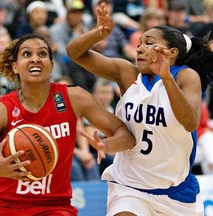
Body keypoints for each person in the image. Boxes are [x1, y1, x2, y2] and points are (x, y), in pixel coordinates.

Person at [66, 3, 213, 215]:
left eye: (150, 43)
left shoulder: (185, 76)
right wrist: (98, 33)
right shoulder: (127, 73)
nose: (140, 47)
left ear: (172, 53)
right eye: (140, 43)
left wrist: (166, 78)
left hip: (174, 193)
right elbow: (74, 52)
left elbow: (190, 122)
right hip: (129, 186)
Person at [0, 34, 135, 215]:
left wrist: (106, 144)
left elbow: (125, 135)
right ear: (15, 66)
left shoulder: (74, 97)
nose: (35, 59)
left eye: (42, 54)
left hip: (53, 206)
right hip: (3, 205)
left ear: (51, 65)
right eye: (27, 54)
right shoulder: (0, 110)